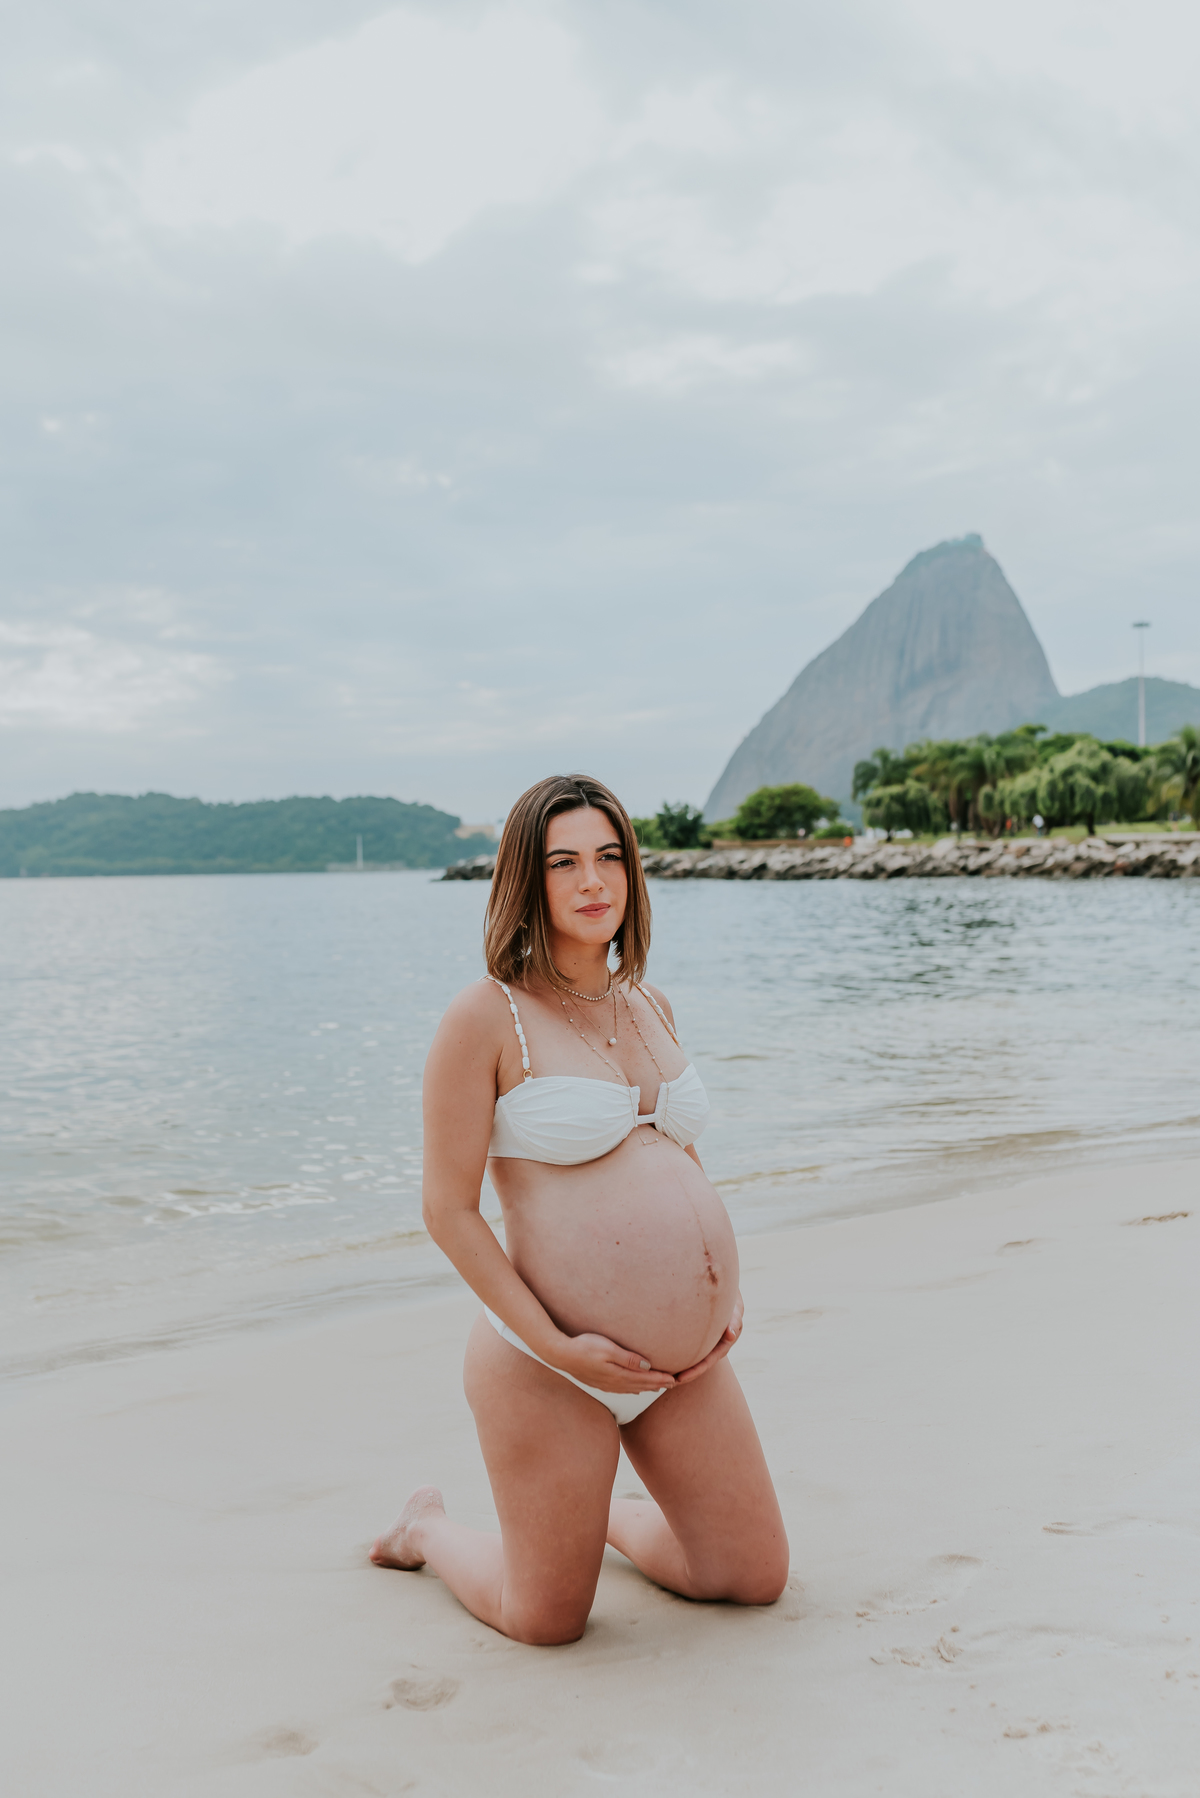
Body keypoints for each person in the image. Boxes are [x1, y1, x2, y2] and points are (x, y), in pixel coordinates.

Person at [370, 773, 788, 1643]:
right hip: (547, 1363)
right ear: (526, 880)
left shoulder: (649, 1003)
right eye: (564, 863)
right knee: (546, 1621)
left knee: (750, 1577)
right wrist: (559, 1345)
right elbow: (448, 1210)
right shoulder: (486, 1017)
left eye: (609, 857)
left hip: (681, 1367)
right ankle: (426, 1529)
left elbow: (673, 1150)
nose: (593, 881)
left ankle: (597, 1517)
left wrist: (722, 1287)